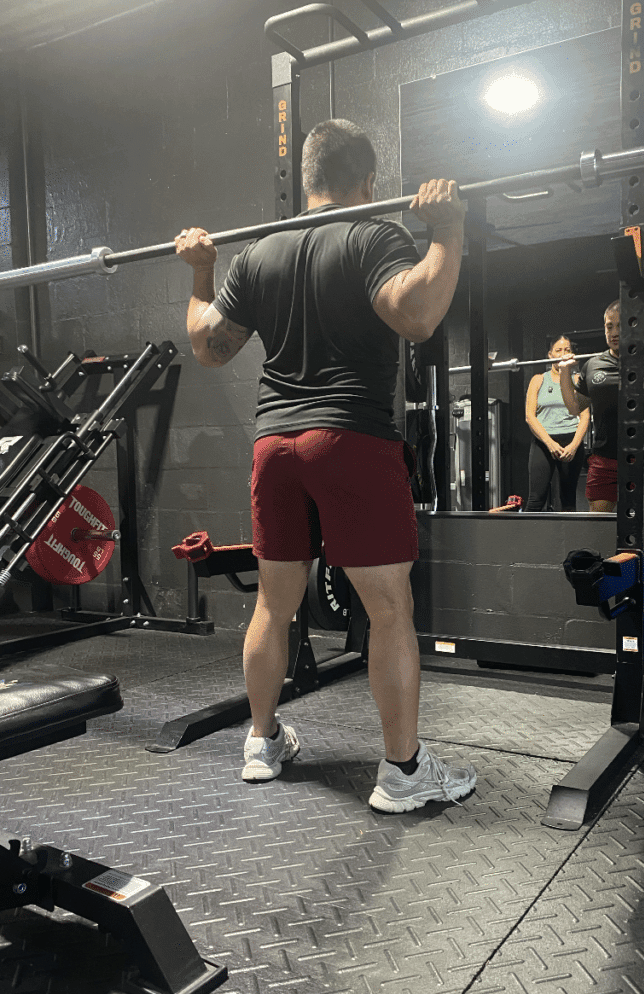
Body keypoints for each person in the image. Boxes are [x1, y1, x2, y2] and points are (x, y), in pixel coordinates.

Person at [175, 119, 476, 814]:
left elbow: (209, 345)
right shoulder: (374, 233)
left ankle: (262, 742)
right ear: (367, 180)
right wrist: (448, 230)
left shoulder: (262, 251)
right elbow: (419, 314)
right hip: (350, 440)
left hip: (274, 447)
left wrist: (200, 271)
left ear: (308, 177)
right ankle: (403, 774)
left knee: (272, 606)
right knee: (389, 608)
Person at [559, 300, 622, 513]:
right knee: (598, 527)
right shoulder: (593, 365)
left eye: (620, 325)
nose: (614, 332)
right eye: (609, 326)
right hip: (605, 458)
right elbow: (574, 407)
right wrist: (565, 373)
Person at [524, 335, 590, 512]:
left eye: (567, 350)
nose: (563, 354)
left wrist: (574, 446)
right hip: (544, 443)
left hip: (570, 443)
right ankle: (533, 540)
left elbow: (585, 416)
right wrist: (550, 443)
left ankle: (567, 540)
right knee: (535, 500)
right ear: (550, 354)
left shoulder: (577, 381)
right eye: (558, 350)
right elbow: (530, 416)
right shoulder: (538, 380)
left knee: (568, 500)